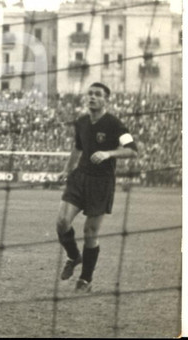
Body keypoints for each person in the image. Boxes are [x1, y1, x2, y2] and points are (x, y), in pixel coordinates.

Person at [55, 82, 138, 293]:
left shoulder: (115, 125)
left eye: (97, 94)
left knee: (90, 232)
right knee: (62, 222)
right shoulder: (81, 122)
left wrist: (109, 153)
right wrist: (67, 169)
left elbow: (132, 150)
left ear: (106, 99)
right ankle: (74, 256)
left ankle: (86, 279)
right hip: (80, 177)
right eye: (90, 93)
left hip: (101, 183)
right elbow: (77, 148)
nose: (92, 97)